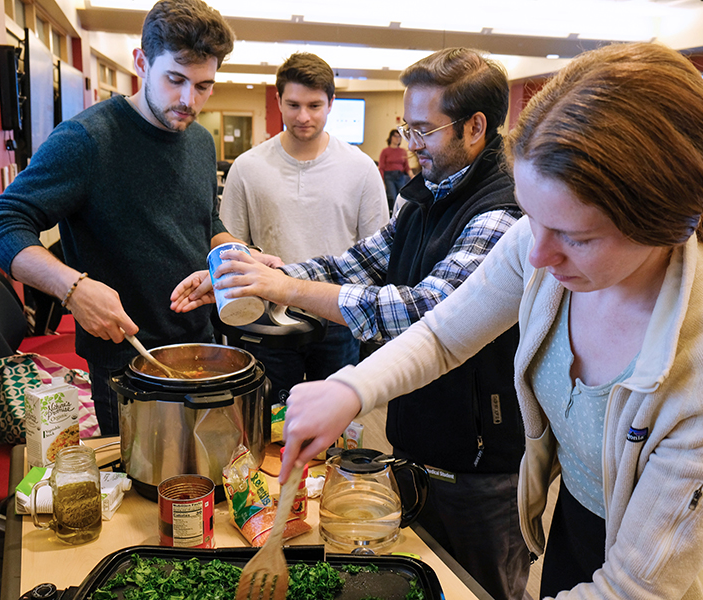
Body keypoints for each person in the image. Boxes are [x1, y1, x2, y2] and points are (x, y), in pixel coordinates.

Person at [280, 42, 703, 600]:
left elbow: (636, 587)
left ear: (664, 221)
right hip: (573, 522)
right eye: (531, 216)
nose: (536, 257)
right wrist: (349, 389)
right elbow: (443, 335)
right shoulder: (538, 240)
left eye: (577, 237)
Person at [172, 48, 529, 600]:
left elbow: (426, 311)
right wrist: (259, 274)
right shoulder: (426, 193)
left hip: (479, 461)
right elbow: (357, 262)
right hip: (419, 438)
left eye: (423, 130)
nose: (410, 144)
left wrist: (286, 289)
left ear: (476, 126)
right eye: (406, 127)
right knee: (426, 579)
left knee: (479, 588)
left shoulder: (502, 210)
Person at [0, 0, 278, 436]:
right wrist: (72, 289)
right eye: (175, 80)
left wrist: (237, 254)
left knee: (210, 488)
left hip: (202, 344)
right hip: (128, 364)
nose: (189, 100)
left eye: (204, 85)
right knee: (146, 495)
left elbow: (204, 221)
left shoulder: (198, 141)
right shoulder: (87, 140)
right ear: (141, 62)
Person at [219, 52, 389, 401]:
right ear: (278, 100)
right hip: (267, 316)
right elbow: (231, 243)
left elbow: (378, 252)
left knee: (335, 420)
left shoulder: (361, 169)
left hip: (339, 316)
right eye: (293, 104)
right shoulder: (248, 167)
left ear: (331, 103)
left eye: (314, 105)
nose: (304, 117)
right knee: (268, 417)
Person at [378, 129, 413, 212]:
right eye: (395, 136)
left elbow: (407, 167)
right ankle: (393, 217)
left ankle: (402, 215)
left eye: (399, 137)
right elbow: (381, 168)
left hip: (400, 176)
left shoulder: (403, 151)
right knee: (393, 197)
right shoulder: (385, 151)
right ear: (391, 138)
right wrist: (382, 182)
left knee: (403, 197)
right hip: (389, 177)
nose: (397, 138)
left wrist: (412, 176)